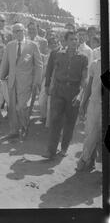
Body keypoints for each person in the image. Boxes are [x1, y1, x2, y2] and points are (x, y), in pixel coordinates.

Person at [43, 31, 88, 159]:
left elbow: (84, 78)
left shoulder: (83, 58)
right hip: (58, 90)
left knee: (70, 121)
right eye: (72, 39)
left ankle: (64, 148)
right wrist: (47, 86)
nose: (75, 41)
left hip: (73, 92)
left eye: (76, 39)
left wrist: (80, 94)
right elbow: (49, 71)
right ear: (66, 41)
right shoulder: (57, 54)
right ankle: (51, 150)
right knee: (55, 120)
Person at [0, 23, 43, 139]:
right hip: (12, 81)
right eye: (15, 31)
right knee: (12, 107)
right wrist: (0, 78)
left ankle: (24, 126)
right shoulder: (9, 45)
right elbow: (5, 63)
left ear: (24, 31)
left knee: (22, 107)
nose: (17, 33)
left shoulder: (32, 46)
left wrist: (37, 82)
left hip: (27, 82)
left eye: (19, 30)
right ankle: (14, 130)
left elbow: (39, 65)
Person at [76, 57, 102, 172]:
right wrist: (83, 103)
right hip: (95, 103)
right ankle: (85, 159)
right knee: (90, 133)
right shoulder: (95, 64)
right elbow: (89, 86)